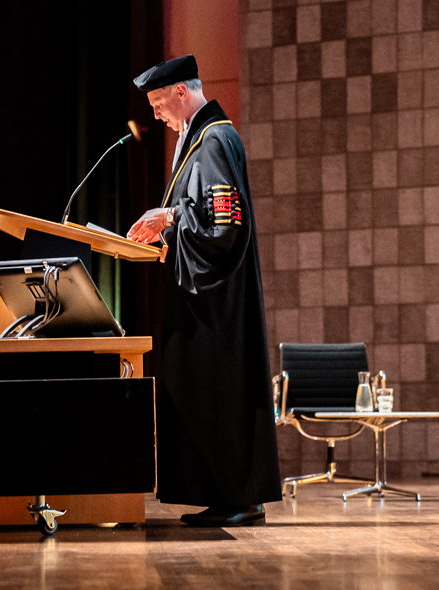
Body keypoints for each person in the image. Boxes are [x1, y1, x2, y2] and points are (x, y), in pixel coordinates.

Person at [127, 55, 281, 526]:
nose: (155, 114)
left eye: (157, 103)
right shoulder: (198, 140)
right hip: (206, 296)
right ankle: (224, 495)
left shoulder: (214, 140)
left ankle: (238, 497)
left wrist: (169, 217)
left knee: (221, 396)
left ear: (181, 92)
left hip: (217, 304)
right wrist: (169, 223)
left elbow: (223, 226)